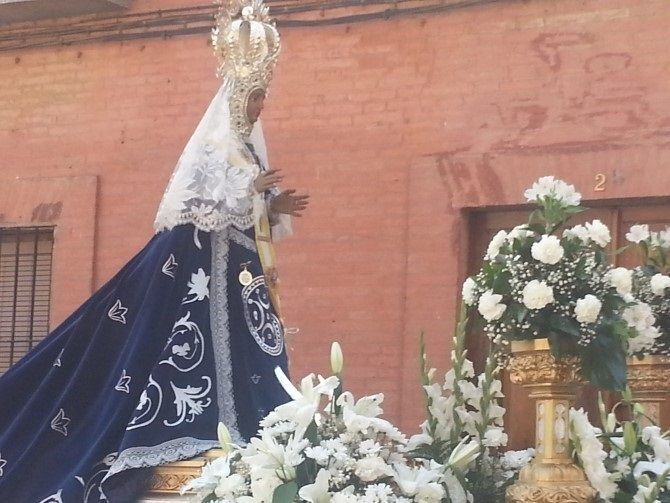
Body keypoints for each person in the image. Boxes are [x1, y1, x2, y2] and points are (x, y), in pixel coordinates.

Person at [0, 1, 306, 501]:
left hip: (238, 277)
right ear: (235, 98)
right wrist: (249, 192)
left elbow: (241, 216)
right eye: (254, 98)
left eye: (262, 98)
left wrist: (272, 208)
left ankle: (253, 431)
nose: (259, 108)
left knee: (252, 354)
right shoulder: (217, 147)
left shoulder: (250, 150)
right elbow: (194, 206)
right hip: (202, 274)